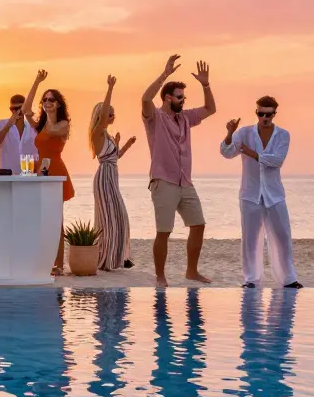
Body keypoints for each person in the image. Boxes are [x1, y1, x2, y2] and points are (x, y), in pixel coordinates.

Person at [141, 55, 216, 287]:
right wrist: (165, 74)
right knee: (164, 231)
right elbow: (145, 98)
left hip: (185, 182)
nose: (183, 101)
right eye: (180, 97)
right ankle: (160, 276)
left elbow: (210, 109)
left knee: (198, 224)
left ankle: (191, 272)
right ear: (167, 98)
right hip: (163, 181)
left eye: (184, 97)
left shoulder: (185, 117)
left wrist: (206, 84)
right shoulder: (155, 117)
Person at [220, 96, 302, 289]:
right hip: (250, 194)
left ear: (275, 114)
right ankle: (251, 279)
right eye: (260, 113)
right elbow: (227, 152)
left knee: (282, 237)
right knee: (250, 239)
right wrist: (229, 134)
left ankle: (288, 279)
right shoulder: (244, 132)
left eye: (268, 114)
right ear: (256, 112)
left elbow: (277, 161)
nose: (264, 117)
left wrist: (252, 153)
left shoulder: (283, 135)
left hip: (275, 194)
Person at [23, 70, 74, 275]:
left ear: (58, 103)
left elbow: (53, 131)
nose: (47, 102)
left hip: (56, 169)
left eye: (51, 99)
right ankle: (43, 260)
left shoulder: (62, 124)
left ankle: (59, 264)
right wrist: (36, 81)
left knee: (56, 220)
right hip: (41, 170)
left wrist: (50, 113)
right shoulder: (42, 124)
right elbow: (26, 110)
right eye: (45, 100)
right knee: (41, 218)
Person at [89, 76, 136, 272]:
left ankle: (117, 258)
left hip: (111, 177)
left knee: (118, 217)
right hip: (104, 178)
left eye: (113, 114)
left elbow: (115, 157)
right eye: (109, 114)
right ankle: (107, 259)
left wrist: (126, 145)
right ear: (101, 116)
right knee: (110, 218)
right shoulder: (97, 133)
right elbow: (108, 158)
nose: (111, 116)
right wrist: (110, 88)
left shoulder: (107, 136)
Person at [0, 94, 37, 174]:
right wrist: (8, 126)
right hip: (7, 178)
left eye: (20, 108)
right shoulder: (1, 124)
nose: (16, 112)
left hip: (29, 177)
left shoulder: (32, 128)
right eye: (13, 109)